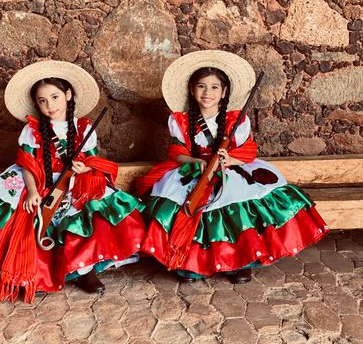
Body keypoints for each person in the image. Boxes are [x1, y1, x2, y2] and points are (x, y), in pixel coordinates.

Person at [0, 60, 145, 302]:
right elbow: (26, 164)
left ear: (68, 94)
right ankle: (32, 274)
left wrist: (83, 168)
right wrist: (33, 190)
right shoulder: (32, 129)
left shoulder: (83, 127)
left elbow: (92, 160)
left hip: (73, 181)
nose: (50, 105)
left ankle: (85, 270)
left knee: (87, 213)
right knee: (27, 217)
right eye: (42, 101)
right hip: (37, 180)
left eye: (55, 97)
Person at [136, 50, 328, 284]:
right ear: (191, 89)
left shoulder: (236, 120)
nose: (208, 93)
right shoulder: (180, 120)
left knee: (236, 205)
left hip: (231, 170)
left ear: (224, 92)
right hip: (195, 170)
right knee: (186, 205)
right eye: (201, 86)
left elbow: (247, 151)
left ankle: (241, 261)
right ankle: (191, 262)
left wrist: (230, 159)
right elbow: (177, 152)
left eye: (215, 87)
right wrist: (194, 162)